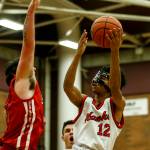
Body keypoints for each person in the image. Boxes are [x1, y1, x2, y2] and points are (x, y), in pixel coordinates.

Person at [63, 28, 126, 150]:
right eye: (97, 75)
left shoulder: (117, 104)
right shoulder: (85, 102)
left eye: (103, 76)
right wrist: (78, 54)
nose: (97, 78)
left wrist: (114, 50)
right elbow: (67, 87)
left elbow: (115, 87)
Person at [0, 0, 45, 149]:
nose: (34, 69)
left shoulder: (21, 95)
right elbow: (28, 45)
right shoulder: (22, 84)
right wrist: (30, 14)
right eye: (31, 67)